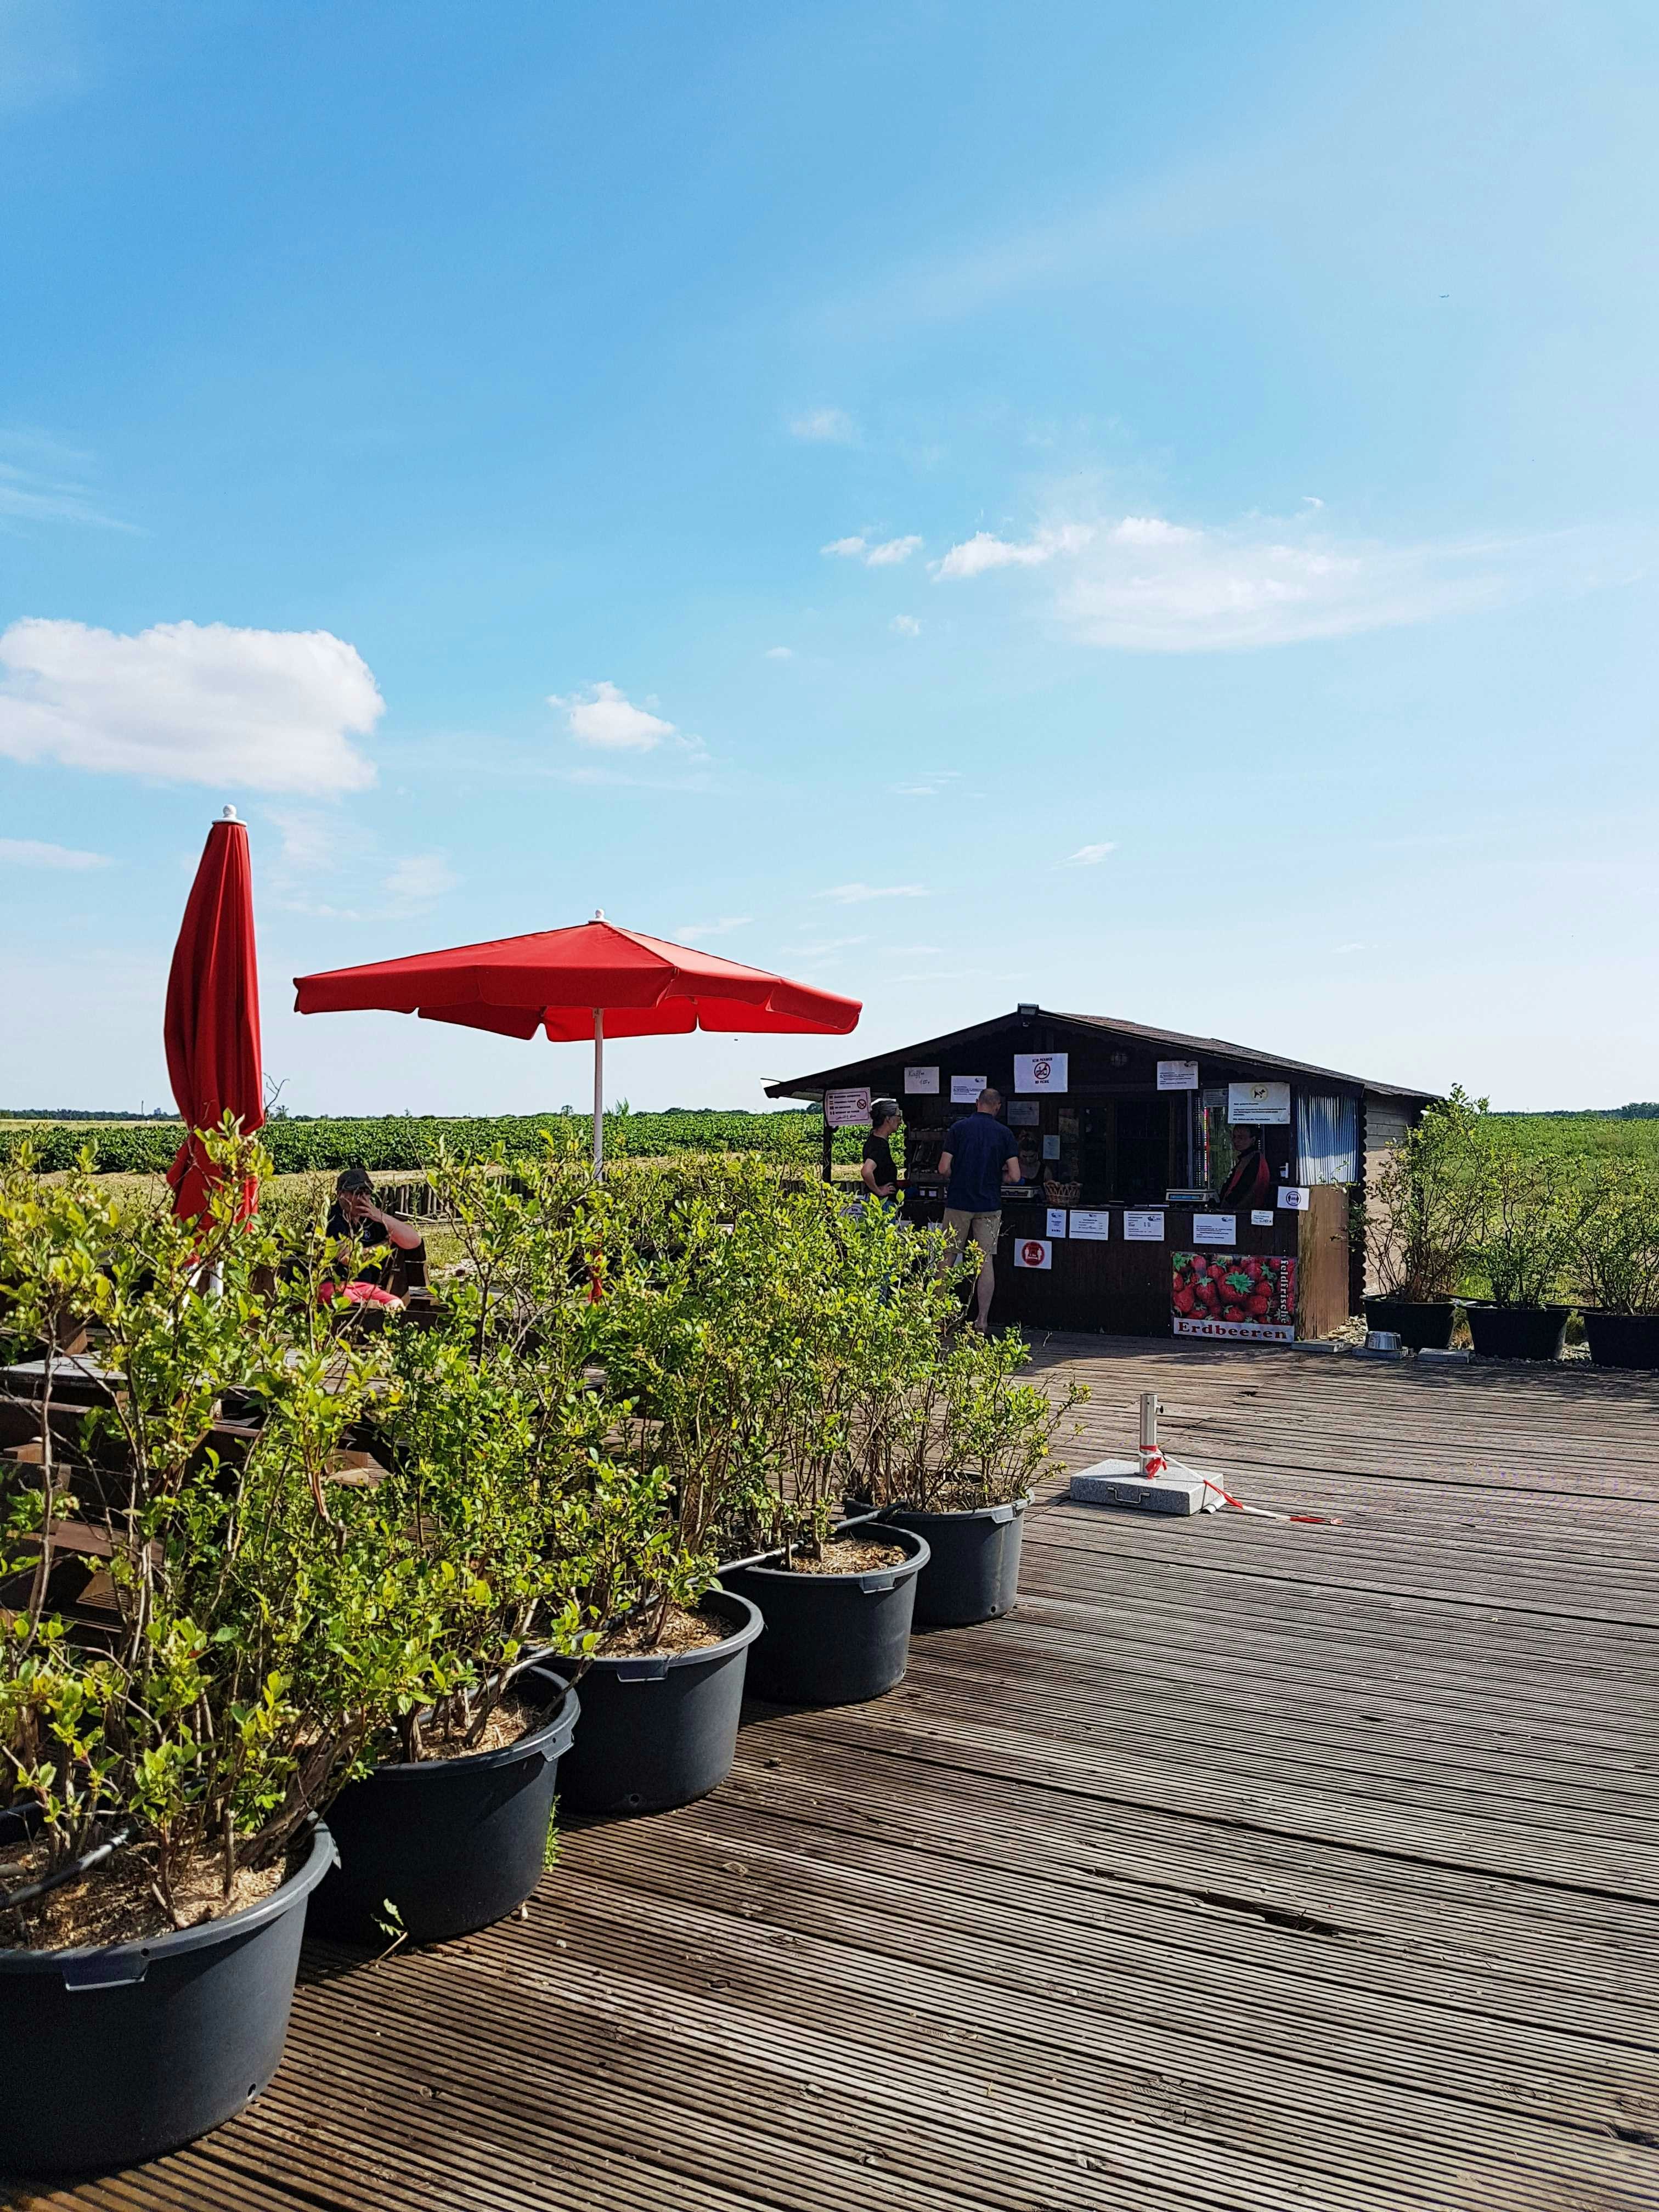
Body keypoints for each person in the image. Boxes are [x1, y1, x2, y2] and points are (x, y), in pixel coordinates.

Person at [936, 1086, 1021, 1333]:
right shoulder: (1004, 1134)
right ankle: (982, 1320)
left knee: (948, 1257)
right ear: (997, 1107)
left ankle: (940, 1318)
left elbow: (943, 1168)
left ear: (977, 1103)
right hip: (989, 1205)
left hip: (958, 1202)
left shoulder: (958, 1129)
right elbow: (1015, 1175)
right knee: (985, 1262)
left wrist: (958, 1173)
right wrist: (999, 1177)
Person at [326, 1165, 425, 1285]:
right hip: (337, 1287)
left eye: (367, 1192)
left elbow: (415, 1241)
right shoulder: (331, 1219)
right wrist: (386, 1245)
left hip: (369, 1289)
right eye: (357, 1192)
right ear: (341, 1194)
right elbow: (349, 1259)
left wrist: (381, 1216)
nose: (363, 1198)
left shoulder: (373, 1219)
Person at [1217, 1126, 1273, 1210]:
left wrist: (1227, 1206)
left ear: (1253, 1140)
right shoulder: (1248, 1158)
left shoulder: (1254, 1160)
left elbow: (1243, 1189)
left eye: (1241, 1138)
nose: (1236, 1141)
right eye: (1234, 1137)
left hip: (1242, 1213)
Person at [860, 1099, 901, 1210]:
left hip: (874, 1201)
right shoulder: (880, 1146)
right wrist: (879, 1191)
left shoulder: (873, 1139)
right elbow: (866, 1171)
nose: (900, 1122)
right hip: (882, 1204)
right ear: (888, 1119)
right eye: (899, 1117)